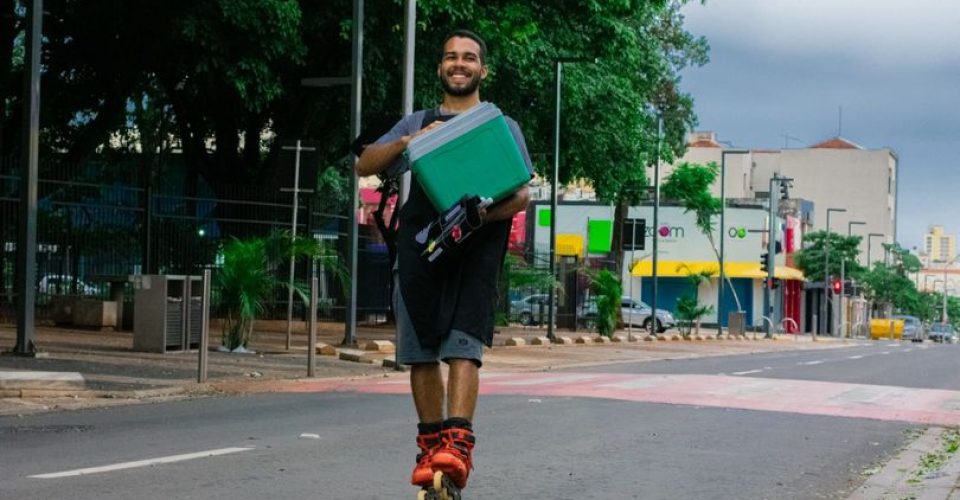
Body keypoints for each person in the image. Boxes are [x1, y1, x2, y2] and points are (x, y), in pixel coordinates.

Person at [355, 30, 533, 491]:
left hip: (476, 256)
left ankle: (457, 447)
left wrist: (477, 217)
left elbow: (521, 195)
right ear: (440, 67)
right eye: (451, 57)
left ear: (482, 70)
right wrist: (412, 140)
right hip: (420, 254)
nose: (459, 64)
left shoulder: (500, 126)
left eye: (469, 58)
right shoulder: (417, 122)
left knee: (463, 347)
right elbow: (364, 163)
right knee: (420, 352)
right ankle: (430, 448)